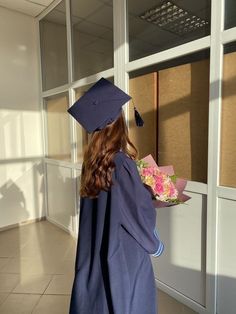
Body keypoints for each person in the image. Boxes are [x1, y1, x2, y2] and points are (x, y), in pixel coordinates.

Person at [67, 78, 164, 314]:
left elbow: (113, 202)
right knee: (128, 301)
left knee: (101, 300)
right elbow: (137, 213)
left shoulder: (91, 162)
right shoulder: (121, 163)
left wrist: (138, 188)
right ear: (116, 122)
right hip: (124, 252)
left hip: (98, 244)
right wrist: (156, 244)